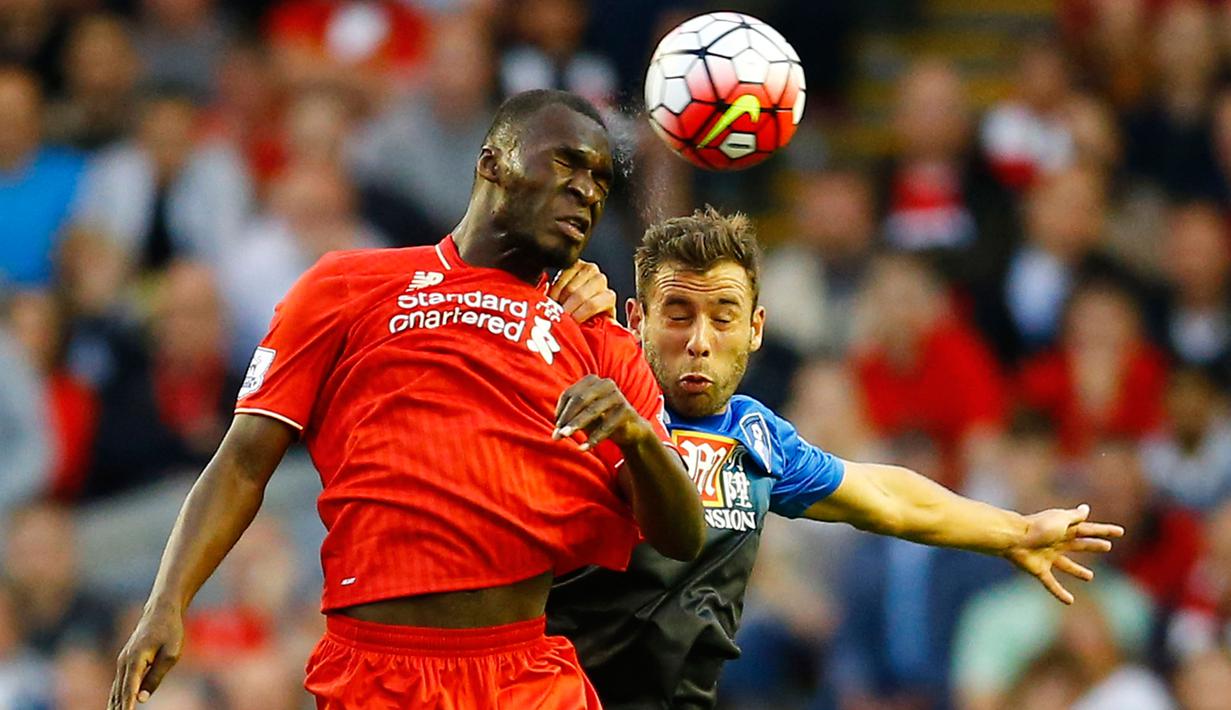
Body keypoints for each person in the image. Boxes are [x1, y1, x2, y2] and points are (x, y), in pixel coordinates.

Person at [108, 89, 705, 710]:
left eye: (602, 180)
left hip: (522, 676)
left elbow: (684, 534)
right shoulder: (345, 286)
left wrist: (634, 434)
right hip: (375, 673)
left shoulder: (596, 337)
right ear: (493, 162)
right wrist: (167, 603)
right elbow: (240, 462)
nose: (587, 190)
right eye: (566, 164)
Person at [547, 206, 1124, 709]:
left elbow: (886, 498)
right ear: (635, 319)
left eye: (723, 316)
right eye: (677, 314)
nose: (700, 339)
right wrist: (544, 321)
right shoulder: (586, 410)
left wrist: (1013, 531)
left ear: (755, 330)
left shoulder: (757, 436)